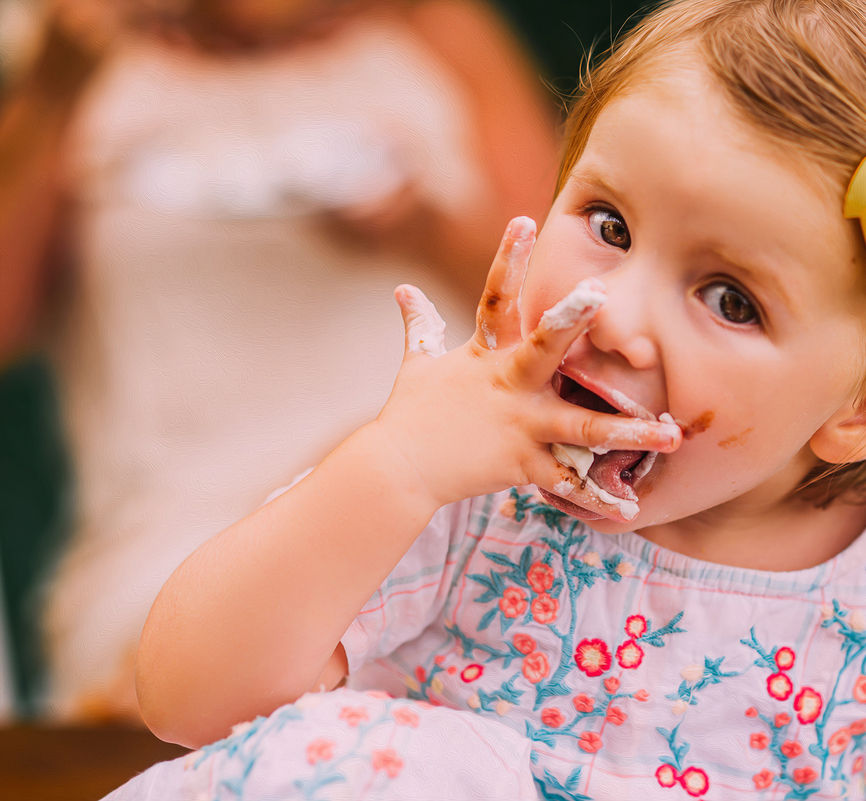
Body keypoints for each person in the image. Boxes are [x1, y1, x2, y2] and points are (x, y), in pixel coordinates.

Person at [115, 0, 866, 798]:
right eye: (606, 222)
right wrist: (395, 467)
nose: (611, 311)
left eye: (730, 299)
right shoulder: (469, 489)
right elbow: (186, 699)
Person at [0, 0, 557, 721]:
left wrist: (426, 228)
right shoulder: (73, 53)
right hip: (170, 534)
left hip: (431, 492)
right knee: (205, 688)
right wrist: (51, 93)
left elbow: (559, 302)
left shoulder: (434, 24)